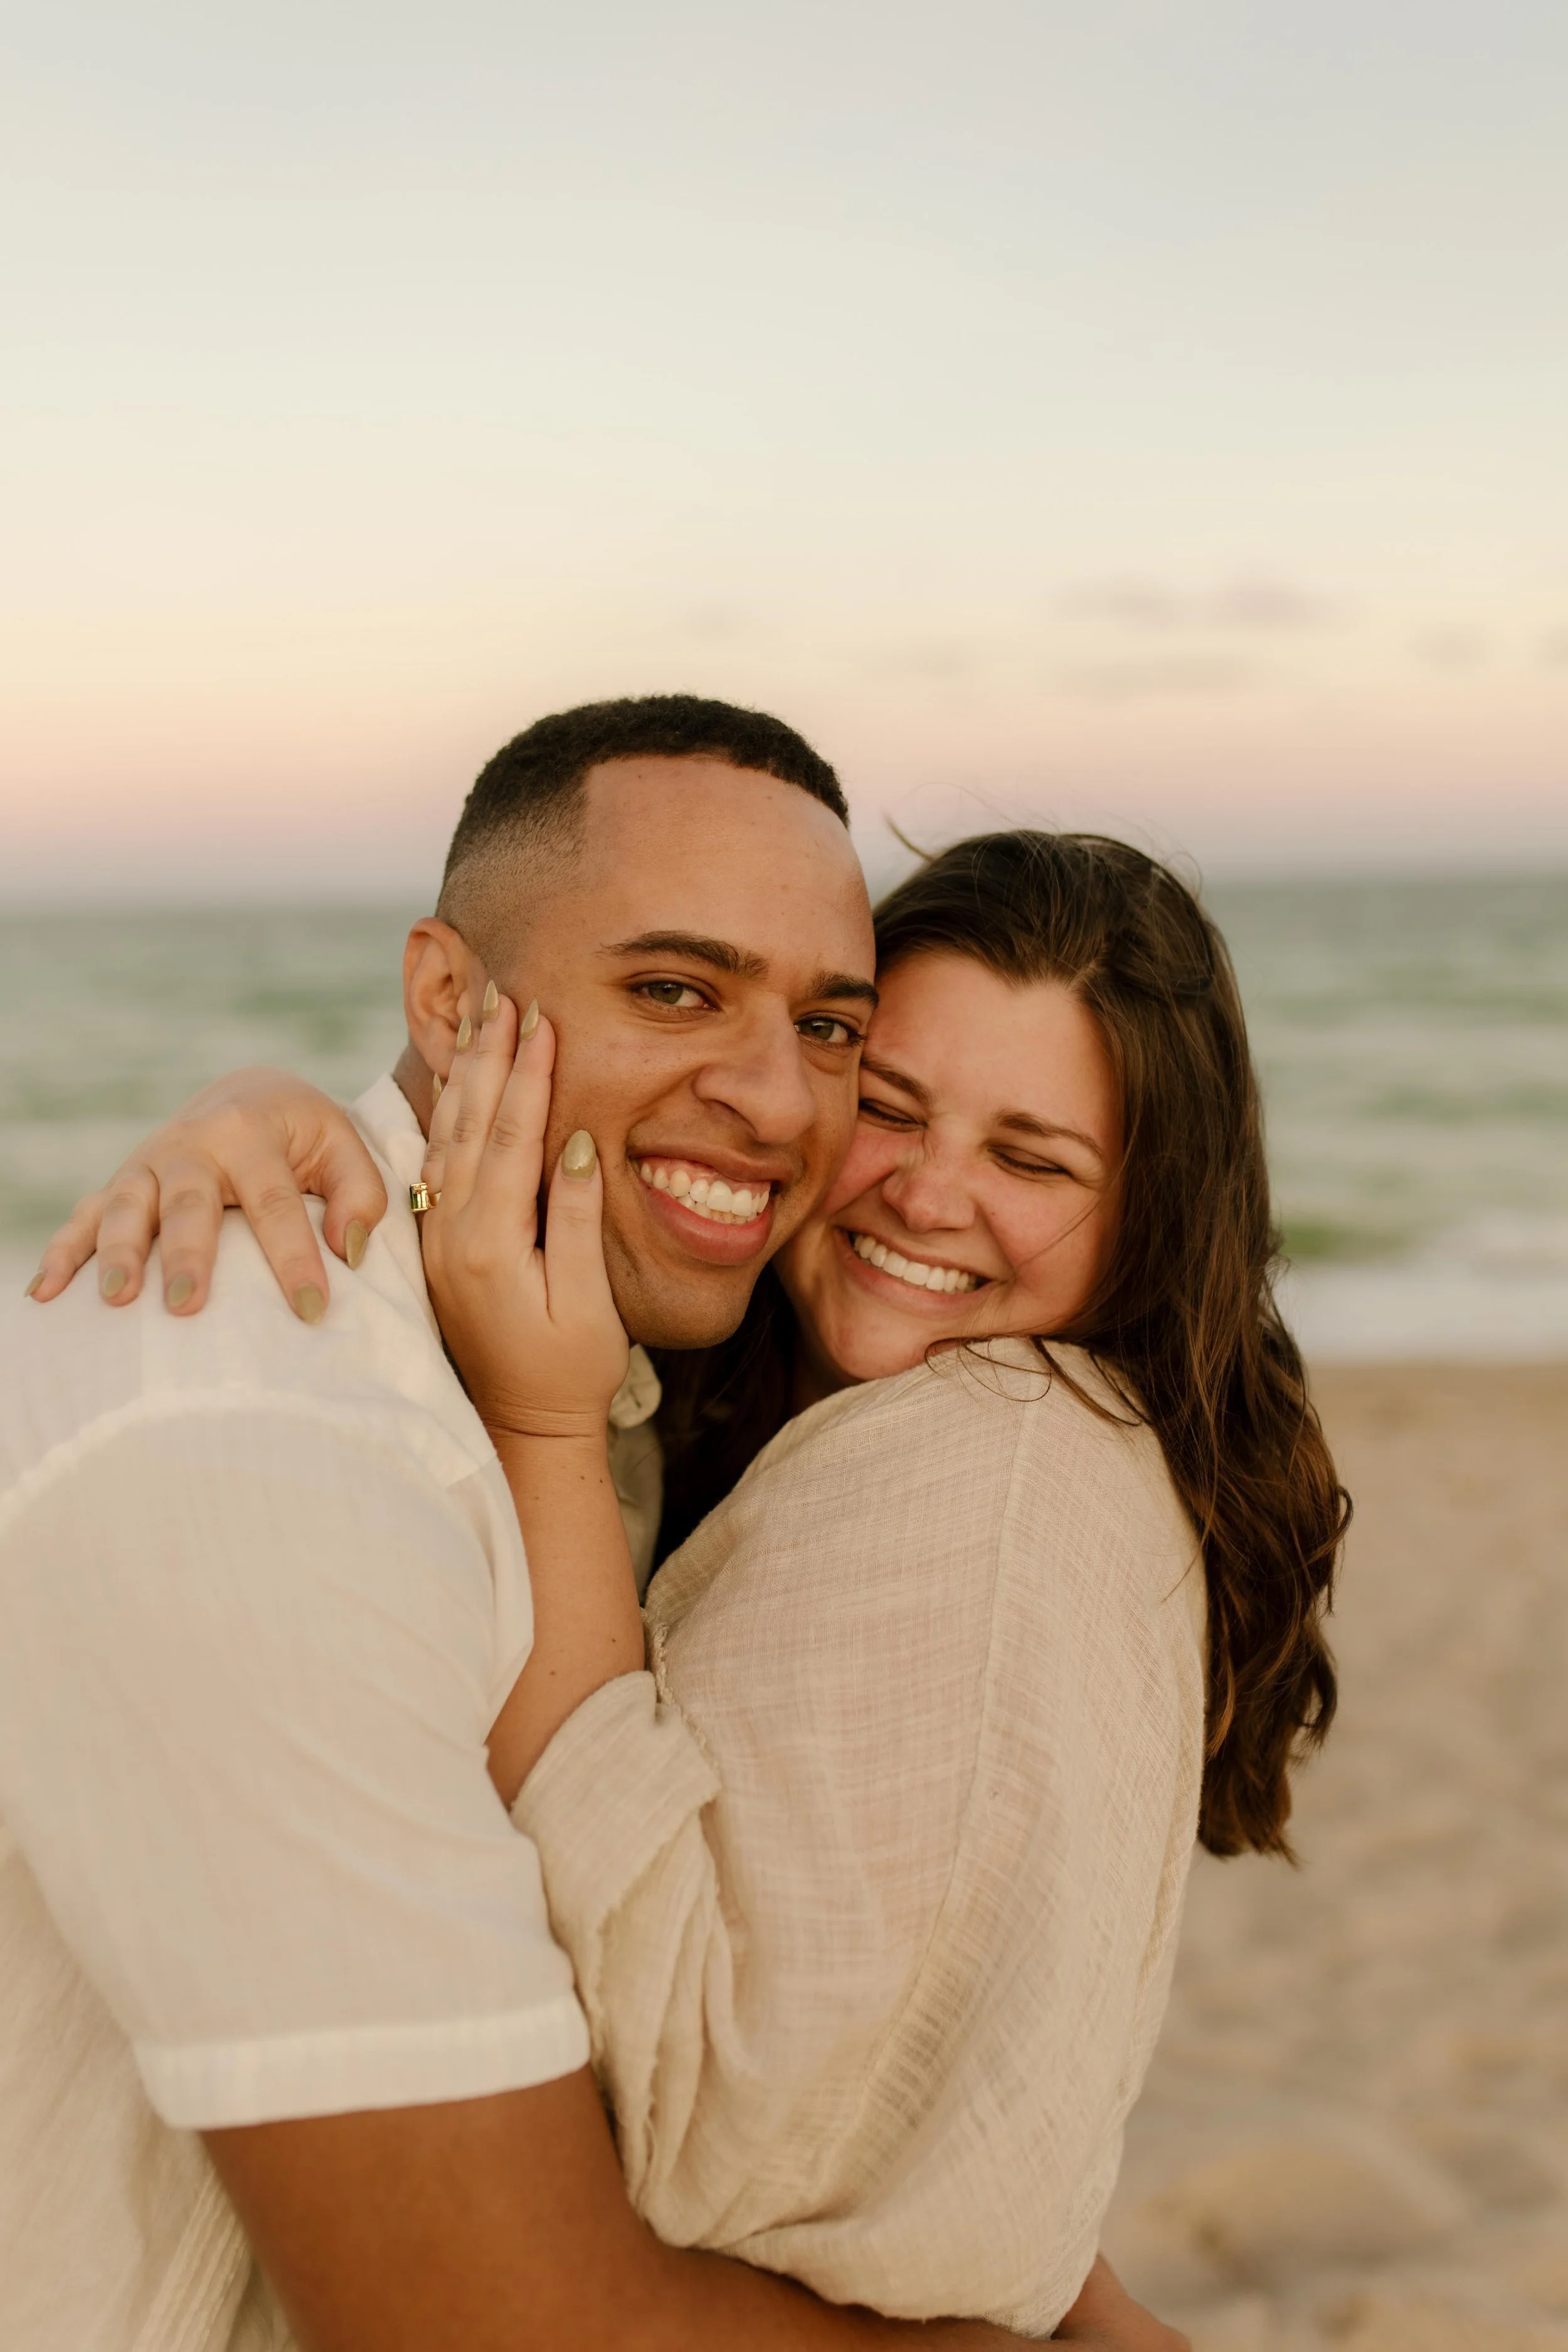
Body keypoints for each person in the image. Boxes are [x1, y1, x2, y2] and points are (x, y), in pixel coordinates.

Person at [40, 817, 1346, 2331]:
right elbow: (914, 2022)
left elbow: (740, 2090)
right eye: (889, 1103)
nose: (926, 1195)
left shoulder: (992, 1472)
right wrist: (281, 1113)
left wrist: (539, 1424)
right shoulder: (733, 1389)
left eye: (1028, 1158)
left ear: (1149, 1218)